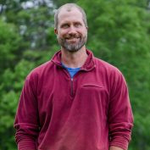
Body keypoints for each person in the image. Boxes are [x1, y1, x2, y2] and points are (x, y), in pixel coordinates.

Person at [14, 3, 134, 150]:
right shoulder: (36, 78)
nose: (72, 31)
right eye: (65, 26)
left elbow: (121, 131)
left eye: (77, 24)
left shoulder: (112, 76)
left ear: (86, 29)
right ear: (56, 31)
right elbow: (25, 132)